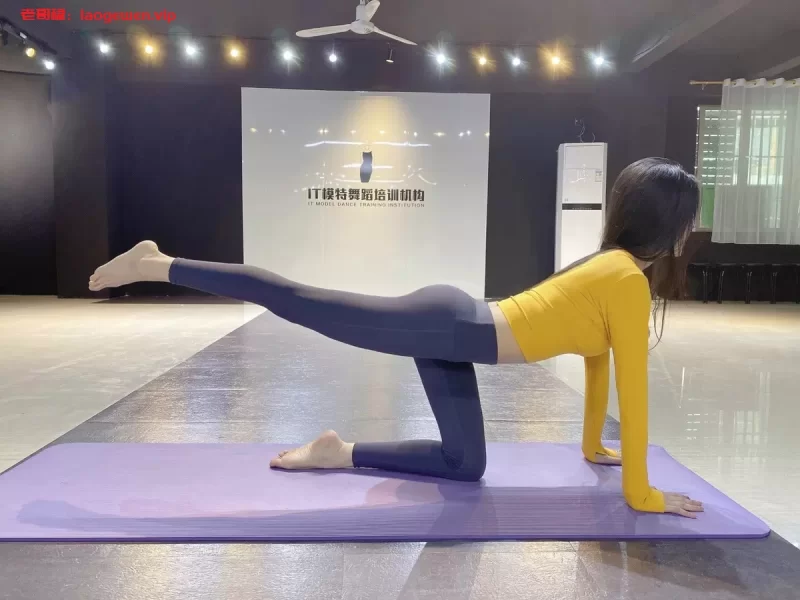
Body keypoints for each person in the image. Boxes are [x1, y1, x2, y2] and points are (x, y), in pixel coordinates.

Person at [90, 157, 703, 518]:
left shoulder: (615, 270)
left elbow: (600, 362)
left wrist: (594, 447)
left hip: (456, 334)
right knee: (297, 300)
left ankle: (337, 452)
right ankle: (157, 263)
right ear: (672, 226)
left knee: (466, 465)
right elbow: (633, 393)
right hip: (449, 327)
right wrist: (641, 493)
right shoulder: (624, 278)